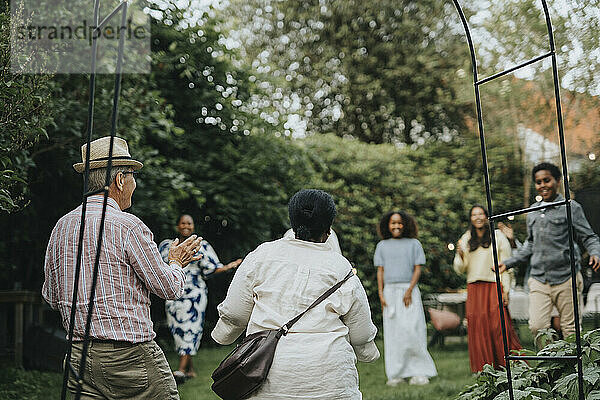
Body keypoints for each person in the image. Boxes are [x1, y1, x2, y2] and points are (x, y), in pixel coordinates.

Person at [43, 136, 203, 400]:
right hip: (130, 358)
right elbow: (170, 287)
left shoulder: (62, 226)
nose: (134, 184)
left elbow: (50, 296)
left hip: (77, 358)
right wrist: (176, 261)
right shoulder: (127, 226)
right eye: (132, 176)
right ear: (119, 180)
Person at [212, 189, 379, 399]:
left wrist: (223, 335)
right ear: (328, 229)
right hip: (330, 381)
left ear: (292, 221)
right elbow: (361, 331)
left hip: (266, 373)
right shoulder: (340, 267)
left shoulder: (261, 255)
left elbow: (235, 313)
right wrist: (367, 353)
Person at [498, 162, 600, 347]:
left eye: (547, 180)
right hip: (539, 279)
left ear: (558, 181)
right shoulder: (533, 211)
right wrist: (510, 262)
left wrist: (595, 253)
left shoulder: (571, 207)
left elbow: (589, 236)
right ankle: (552, 365)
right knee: (537, 327)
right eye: (538, 182)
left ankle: (571, 372)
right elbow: (530, 243)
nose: (543, 185)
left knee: (570, 329)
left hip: (566, 276)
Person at [158, 214, 242, 382]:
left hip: (194, 295)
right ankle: (190, 371)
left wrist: (228, 267)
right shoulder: (167, 246)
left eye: (189, 223)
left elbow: (211, 269)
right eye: (183, 223)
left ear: (193, 226)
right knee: (178, 331)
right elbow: (158, 268)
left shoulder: (201, 245)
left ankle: (181, 371)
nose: (186, 226)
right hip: (173, 295)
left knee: (191, 329)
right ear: (177, 226)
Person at [454, 205, 521, 372]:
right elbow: (459, 268)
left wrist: (505, 289)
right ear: (471, 218)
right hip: (474, 287)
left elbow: (506, 265)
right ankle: (485, 369)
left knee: (499, 327)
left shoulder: (498, 237)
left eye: (481, 214)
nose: (478, 217)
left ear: (486, 217)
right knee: (478, 329)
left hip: (494, 285)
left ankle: (511, 366)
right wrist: (461, 255)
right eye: (474, 214)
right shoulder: (466, 238)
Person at [375, 210, 437, 386]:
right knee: (394, 333)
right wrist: (381, 293)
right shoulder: (382, 246)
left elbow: (417, 269)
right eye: (393, 223)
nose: (396, 226)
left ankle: (419, 372)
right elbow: (381, 271)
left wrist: (409, 290)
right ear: (388, 225)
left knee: (412, 330)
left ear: (405, 224)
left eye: (399, 223)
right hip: (389, 293)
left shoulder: (414, 244)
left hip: (408, 292)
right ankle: (396, 374)